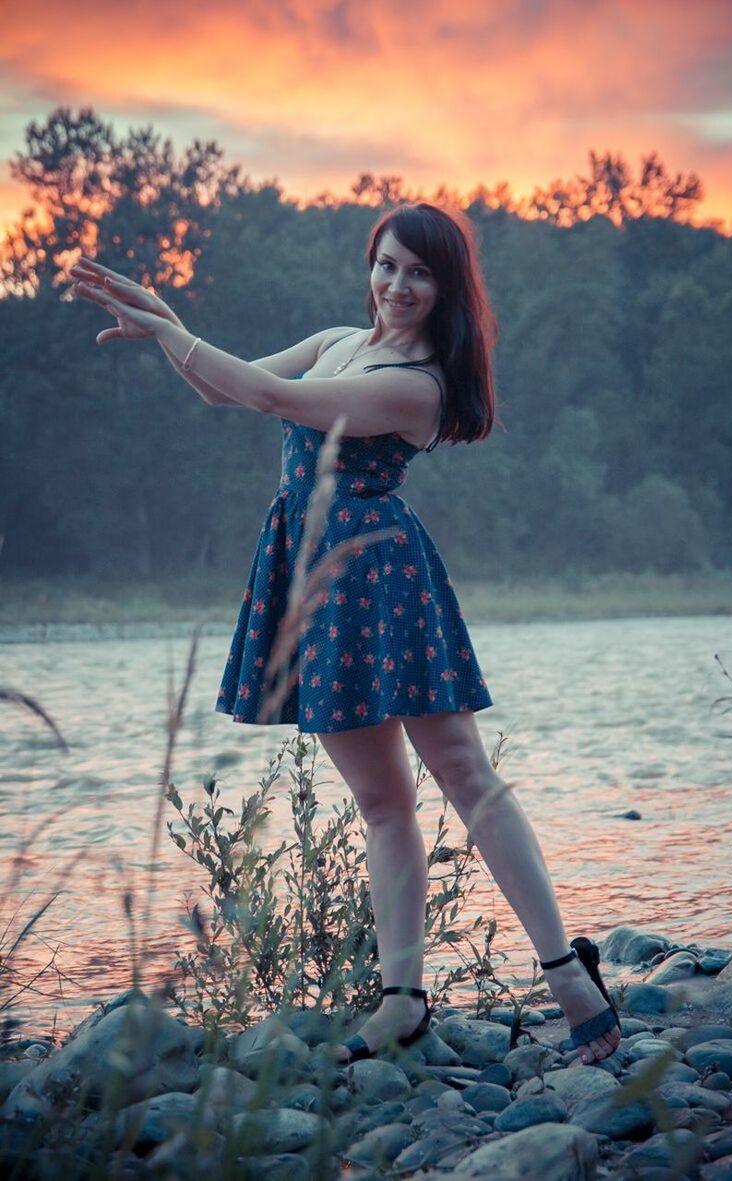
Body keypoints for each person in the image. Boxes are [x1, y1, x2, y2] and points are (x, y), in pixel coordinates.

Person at [67, 202, 622, 1067]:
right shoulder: (338, 339)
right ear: (370, 266)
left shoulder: (420, 382)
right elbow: (225, 383)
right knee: (380, 802)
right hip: (315, 572)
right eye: (387, 265)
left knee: (466, 777)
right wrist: (161, 317)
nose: (397, 285)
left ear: (445, 289)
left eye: (418, 272)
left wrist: (162, 325)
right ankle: (401, 999)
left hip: (378, 571)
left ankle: (565, 973)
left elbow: (268, 396)